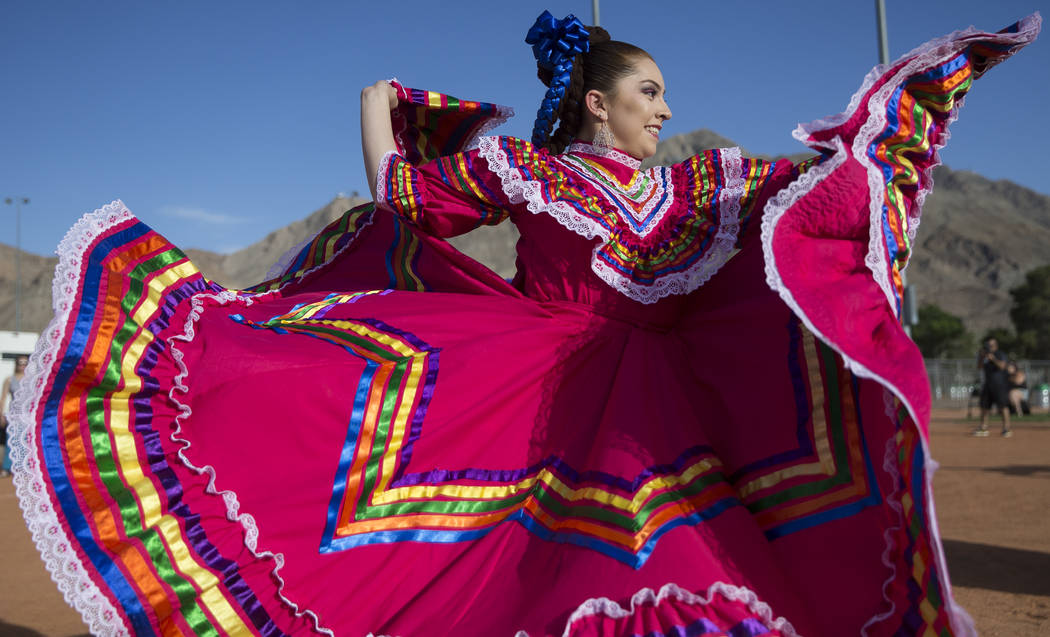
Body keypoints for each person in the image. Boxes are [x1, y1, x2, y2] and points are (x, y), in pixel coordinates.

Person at [6, 10, 1039, 637]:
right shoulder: (521, 171)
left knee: (684, 567)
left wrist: (891, 129)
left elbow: (815, 186)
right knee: (502, 572)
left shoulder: (701, 188)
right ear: (594, 102)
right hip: (530, 392)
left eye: (666, 95)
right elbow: (403, 197)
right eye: (649, 91)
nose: (665, 109)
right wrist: (377, 103)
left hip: (673, 413)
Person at [973, 337, 1013, 437]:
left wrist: (993, 359)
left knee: (1003, 406)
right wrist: (982, 357)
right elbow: (979, 367)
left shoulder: (1000, 354)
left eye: (991, 345)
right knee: (984, 407)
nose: (989, 347)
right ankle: (983, 428)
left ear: (996, 346)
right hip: (987, 384)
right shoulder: (984, 356)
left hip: (999, 384)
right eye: (987, 345)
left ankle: (1006, 429)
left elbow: (1003, 366)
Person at [0, 355, 28, 477]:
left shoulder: (30, 379)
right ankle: (6, 467)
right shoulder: (9, 380)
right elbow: (4, 397)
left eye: (25, 363)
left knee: (25, 441)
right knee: (11, 440)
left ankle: (22, 467)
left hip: (27, 414)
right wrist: (1, 414)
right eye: (20, 363)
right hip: (13, 414)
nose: (22, 365)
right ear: (16, 364)